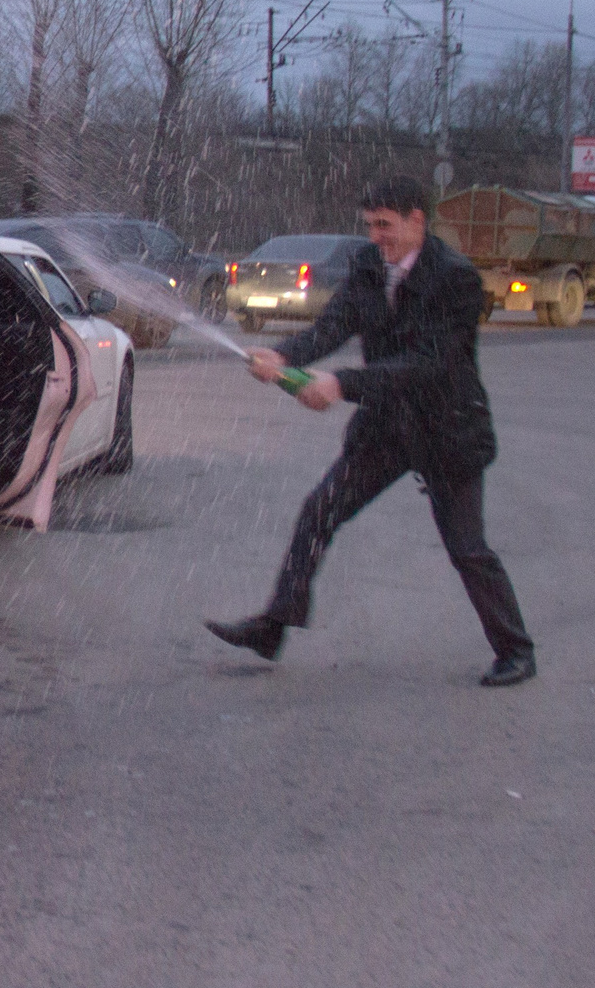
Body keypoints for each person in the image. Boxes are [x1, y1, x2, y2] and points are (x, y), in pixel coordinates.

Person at [205, 177, 537, 687]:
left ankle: (515, 650)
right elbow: (333, 326)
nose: (376, 237)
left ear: (417, 220)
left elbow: (428, 363)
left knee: (467, 548)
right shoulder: (367, 266)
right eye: (369, 226)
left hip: (447, 428)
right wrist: (285, 357)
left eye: (386, 225)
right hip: (386, 427)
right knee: (321, 511)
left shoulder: (457, 280)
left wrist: (341, 384)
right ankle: (273, 628)